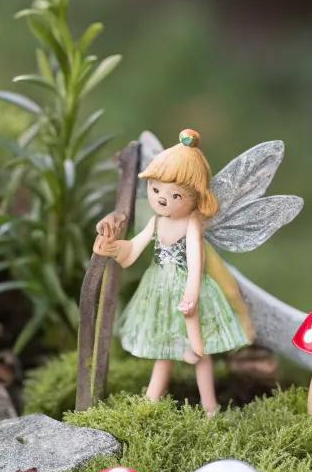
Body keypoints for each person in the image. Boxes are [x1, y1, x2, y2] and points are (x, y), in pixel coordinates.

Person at [94, 128, 247, 415]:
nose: (162, 200)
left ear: (194, 198)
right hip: (158, 288)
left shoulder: (191, 224)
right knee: (163, 347)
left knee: (199, 352)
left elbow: (196, 261)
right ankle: (151, 399)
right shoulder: (157, 221)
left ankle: (209, 405)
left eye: (175, 195)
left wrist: (191, 294)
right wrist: (114, 248)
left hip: (185, 288)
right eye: (155, 190)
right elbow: (134, 248)